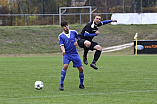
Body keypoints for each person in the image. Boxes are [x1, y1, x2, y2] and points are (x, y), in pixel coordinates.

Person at [58, 21, 85, 91]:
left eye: (67, 25)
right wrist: (63, 50)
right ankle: (61, 84)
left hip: (74, 54)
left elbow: (80, 39)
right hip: (67, 54)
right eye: (64, 26)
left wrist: (78, 42)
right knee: (65, 66)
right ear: (62, 27)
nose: (66, 27)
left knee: (81, 69)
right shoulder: (61, 36)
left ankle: (81, 84)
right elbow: (62, 45)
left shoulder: (73, 32)